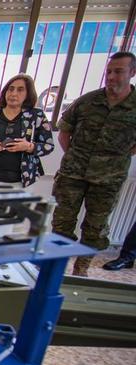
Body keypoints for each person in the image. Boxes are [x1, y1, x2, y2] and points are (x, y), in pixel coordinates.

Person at [52, 51, 136, 276]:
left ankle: (81, 271)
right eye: (109, 71)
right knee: (61, 225)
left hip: (108, 180)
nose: (111, 76)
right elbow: (64, 132)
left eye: (118, 71)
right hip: (73, 175)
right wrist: (75, 158)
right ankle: (55, 269)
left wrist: (112, 160)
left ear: (132, 73)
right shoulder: (88, 101)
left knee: (94, 229)